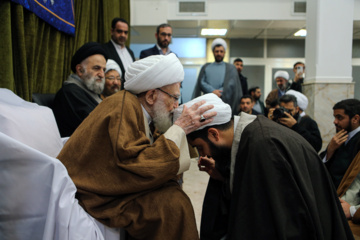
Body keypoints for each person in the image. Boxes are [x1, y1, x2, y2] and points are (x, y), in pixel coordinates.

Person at [57, 53, 217, 240]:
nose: (175, 106)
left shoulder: (139, 109)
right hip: (96, 196)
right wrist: (180, 127)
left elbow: (147, 151)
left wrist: (183, 131)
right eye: (174, 98)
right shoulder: (123, 106)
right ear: (150, 96)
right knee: (174, 206)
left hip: (110, 188)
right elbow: (134, 164)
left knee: (172, 194)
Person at [179, 94, 354, 240]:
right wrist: (223, 176)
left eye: (200, 147)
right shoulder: (253, 135)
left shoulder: (264, 145)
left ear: (214, 134)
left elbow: (280, 221)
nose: (203, 155)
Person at [52, 42, 108, 137]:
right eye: (96, 68)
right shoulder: (70, 93)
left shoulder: (90, 92)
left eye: (104, 70)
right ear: (80, 70)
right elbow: (99, 128)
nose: (102, 74)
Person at [192, 38, 242, 114]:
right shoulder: (206, 67)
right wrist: (212, 91)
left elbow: (231, 83)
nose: (219, 53)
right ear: (213, 52)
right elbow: (201, 82)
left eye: (221, 51)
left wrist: (219, 92)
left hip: (224, 104)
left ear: (224, 52)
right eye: (217, 51)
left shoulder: (231, 68)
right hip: (208, 104)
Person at [320, 99, 360, 189]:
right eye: (335, 117)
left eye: (340, 118)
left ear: (355, 119)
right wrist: (330, 150)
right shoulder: (340, 137)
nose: (335, 122)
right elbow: (320, 165)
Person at [102, 17, 135, 84]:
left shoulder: (130, 52)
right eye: (119, 31)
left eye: (125, 32)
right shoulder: (104, 50)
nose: (123, 35)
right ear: (112, 31)